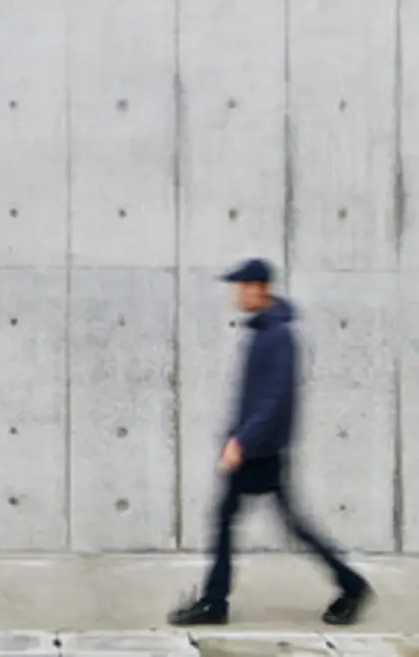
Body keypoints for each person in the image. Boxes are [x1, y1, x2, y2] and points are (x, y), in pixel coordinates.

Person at [170, 259, 371, 627]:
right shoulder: (263, 332)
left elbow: (274, 400)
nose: (236, 293)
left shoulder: (278, 336)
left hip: (261, 453)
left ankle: (353, 585)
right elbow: (253, 398)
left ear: (261, 288)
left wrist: (240, 443)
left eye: (242, 286)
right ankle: (215, 601)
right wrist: (234, 436)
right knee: (233, 521)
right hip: (254, 448)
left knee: (285, 526)